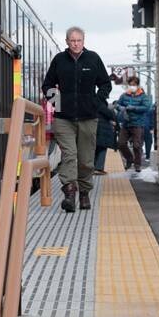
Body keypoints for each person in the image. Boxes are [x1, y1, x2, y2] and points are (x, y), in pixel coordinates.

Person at [42, 26, 112, 212]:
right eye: (72, 40)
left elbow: (105, 84)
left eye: (78, 40)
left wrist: (96, 103)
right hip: (63, 118)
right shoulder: (59, 60)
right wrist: (57, 103)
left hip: (88, 118)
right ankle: (70, 193)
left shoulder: (93, 58)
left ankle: (84, 193)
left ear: (83, 41)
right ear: (67, 41)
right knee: (69, 155)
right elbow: (47, 84)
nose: (75, 44)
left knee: (86, 159)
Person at [116, 76, 154, 170]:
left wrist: (134, 108)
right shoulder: (124, 95)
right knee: (121, 143)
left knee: (137, 145)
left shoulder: (143, 96)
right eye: (130, 85)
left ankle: (137, 165)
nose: (132, 86)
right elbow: (117, 104)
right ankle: (129, 159)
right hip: (126, 123)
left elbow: (147, 107)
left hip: (138, 124)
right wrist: (120, 107)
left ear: (137, 85)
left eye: (134, 85)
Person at [94, 100, 119, 174]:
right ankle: (98, 168)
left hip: (94, 129)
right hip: (102, 130)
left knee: (94, 149)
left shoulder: (90, 105)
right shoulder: (101, 106)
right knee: (102, 149)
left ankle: (93, 167)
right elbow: (111, 115)